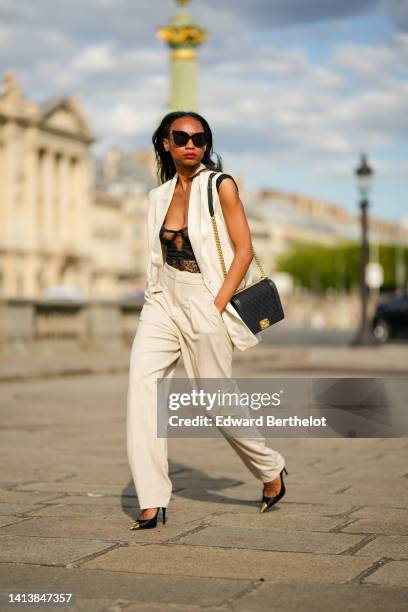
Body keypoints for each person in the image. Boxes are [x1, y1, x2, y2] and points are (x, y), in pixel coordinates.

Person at [126, 110, 288, 530]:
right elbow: (156, 256)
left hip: (205, 298)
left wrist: (214, 307)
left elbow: (244, 250)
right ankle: (152, 498)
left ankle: (271, 470)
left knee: (216, 401)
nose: (191, 144)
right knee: (142, 386)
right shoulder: (157, 197)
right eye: (180, 137)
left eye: (199, 138)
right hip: (163, 298)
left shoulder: (221, 185)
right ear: (165, 143)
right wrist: (154, 295)